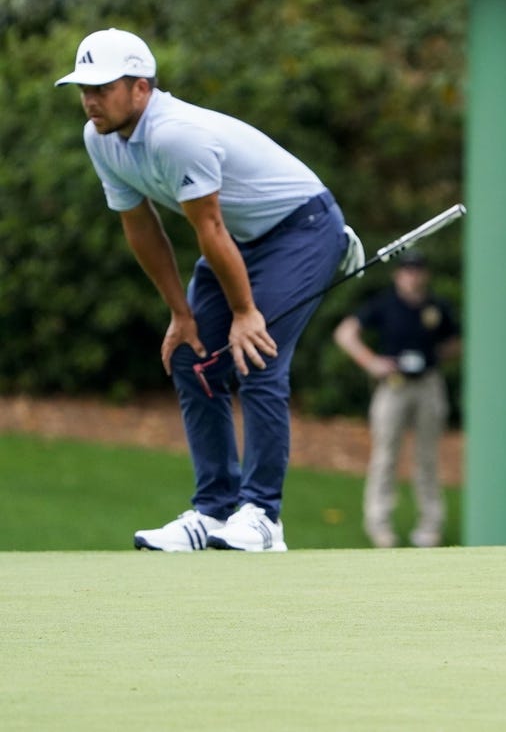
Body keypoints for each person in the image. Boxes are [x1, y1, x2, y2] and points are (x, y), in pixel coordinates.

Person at [56, 29, 365, 552]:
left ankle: (263, 515)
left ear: (141, 88)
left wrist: (246, 312)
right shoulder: (100, 138)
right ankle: (215, 510)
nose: (90, 99)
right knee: (191, 357)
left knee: (257, 354)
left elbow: (210, 228)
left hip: (303, 229)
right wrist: (181, 314)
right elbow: (142, 227)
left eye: (103, 87)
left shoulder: (176, 134)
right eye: (84, 87)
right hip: (243, 239)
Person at [333, 250, 461, 548]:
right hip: (393, 386)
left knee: (427, 457)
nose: (412, 276)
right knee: (385, 456)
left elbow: (455, 343)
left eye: (417, 270)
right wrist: (371, 362)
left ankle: (430, 526)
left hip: (428, 385)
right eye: (407, 270)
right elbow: (345, 333)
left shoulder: (437, 307)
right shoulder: (385, 305)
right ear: (398, 274)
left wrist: (434, 358)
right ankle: (379, 525)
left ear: (424, 274)